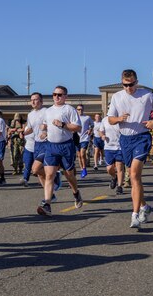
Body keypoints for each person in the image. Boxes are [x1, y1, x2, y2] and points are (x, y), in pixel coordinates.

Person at [108, 69, 153, 229]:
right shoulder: (117, 97)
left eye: (131, 84)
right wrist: (119, 118)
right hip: (125, 139)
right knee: (135, 179)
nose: (129, 88)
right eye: (125, 85)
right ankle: (144, 206)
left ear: (136, 81)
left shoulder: (146, 95)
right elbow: (110, 118)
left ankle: (134, 215)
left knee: (134, 174)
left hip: (142, 137)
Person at [36, 86, 84, 216]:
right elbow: (47, 125)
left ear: (65, 96)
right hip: (51, 146)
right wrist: (44, 131)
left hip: (66, 146)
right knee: (50, 175)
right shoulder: (48, 111)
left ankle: (76, 193)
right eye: (54, 94)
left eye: (60, 94)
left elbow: (78, 128)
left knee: (69, 175)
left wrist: (63, 124)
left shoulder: (69, 109)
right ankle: (47, 204)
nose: (57, 97)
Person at [23, 92, 48, 189]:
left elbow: (54, 124)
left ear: (41, 101)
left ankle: (53, 176)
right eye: (31, 99)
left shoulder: (46, 111)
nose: (33, 101)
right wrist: (24, 133)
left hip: (47, 143)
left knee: (36, 169)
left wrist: (46, 129)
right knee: (38, 172)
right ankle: (50, 194)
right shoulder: (30, 115)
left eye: (35, 99)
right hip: (37, 144)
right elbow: (31, 128)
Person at [100, 113, 125, 195]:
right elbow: (101, 131)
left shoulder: (121, 119)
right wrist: (102, 135)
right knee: (109, 168)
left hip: (119, 147)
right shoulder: (104, 120)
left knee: (119, 167)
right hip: (108, 147)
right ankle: (114, 177)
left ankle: (119, 186)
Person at [76, 105, 93, 178]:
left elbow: (92, 124)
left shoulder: (87, 117)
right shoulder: (74, 118)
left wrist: (90, 129)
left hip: (85, 138)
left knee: (83, 154)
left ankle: (84, 168)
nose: (80, 111)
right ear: (76, 110)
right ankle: (82, 169)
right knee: (79, 155)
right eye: (79, 109)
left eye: (81, 109)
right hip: (76, 138)